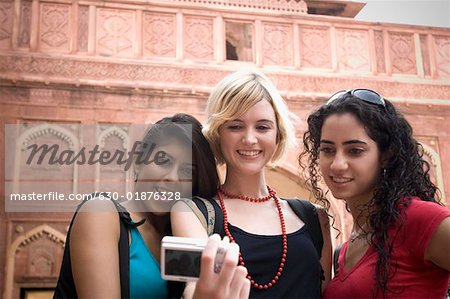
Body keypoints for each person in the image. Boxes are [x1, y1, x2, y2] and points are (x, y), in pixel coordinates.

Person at [171, 70, 332, 298]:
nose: (249, 139)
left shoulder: (315, 218)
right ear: (218, 133)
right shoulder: (191, 212)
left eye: (263, 127)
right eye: (235, 126)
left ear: (278, 135)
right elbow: (192, 286)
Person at [54, 113, 250, 299]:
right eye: (163, 160)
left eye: (186, 171)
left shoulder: (184, 233)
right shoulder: (101, 213)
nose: (172, 178)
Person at [299, 89, 450, 298]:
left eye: (355, 150)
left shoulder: (418, 219)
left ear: (386, 155)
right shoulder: (343, 250)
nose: (338, 164)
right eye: (328, 149)